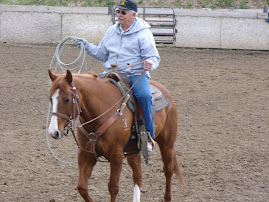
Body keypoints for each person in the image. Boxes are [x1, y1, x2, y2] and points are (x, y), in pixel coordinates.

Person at [75, 0, 160, 151]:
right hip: (111, 72)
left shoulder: (144, 33)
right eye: (118, 12)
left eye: (123, 12)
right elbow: (101, 54)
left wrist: (150, 63)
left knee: (145, 96)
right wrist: (86, 45)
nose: (119, 15)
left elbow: (154, 57)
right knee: (89, 93)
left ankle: (147, 134)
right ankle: (89, 131)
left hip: (134, 74)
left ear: (134, 15)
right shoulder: (112, 31)